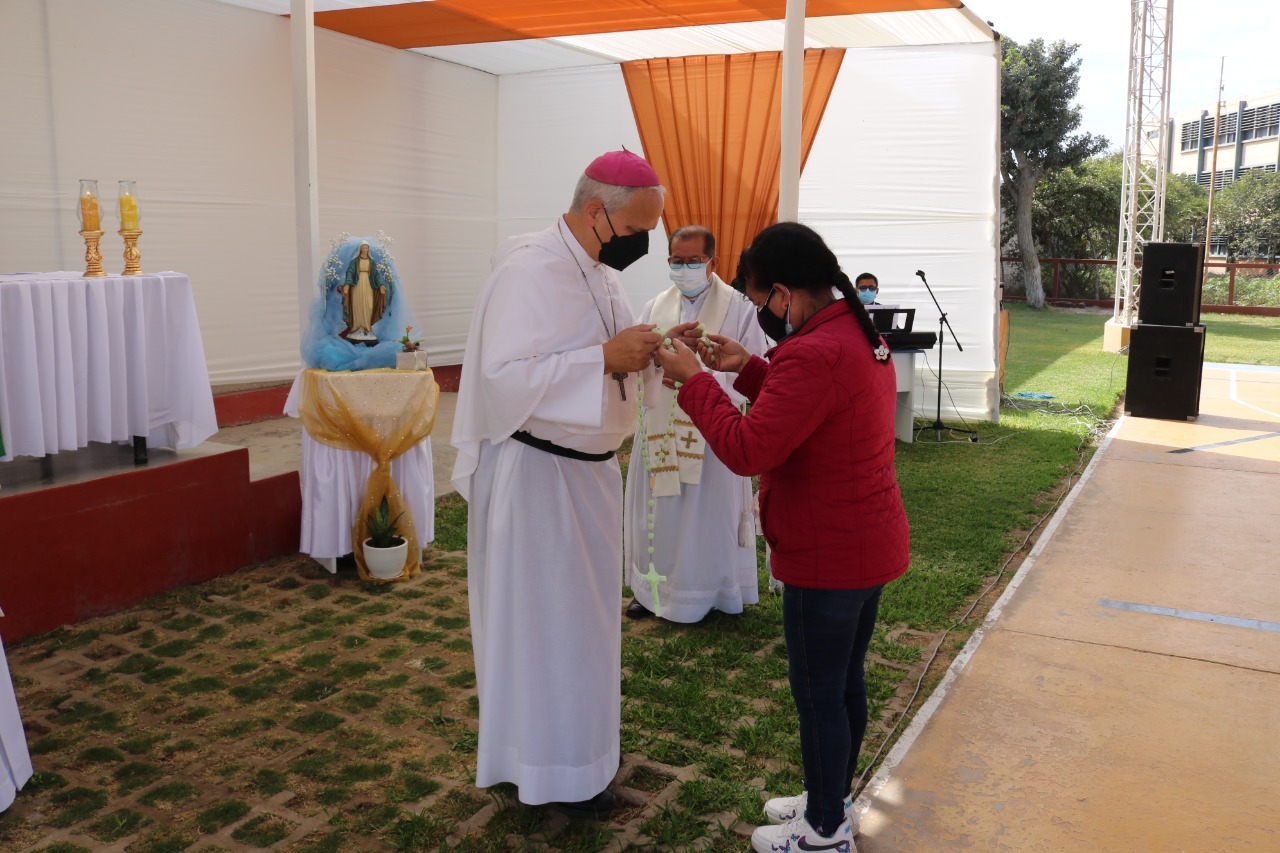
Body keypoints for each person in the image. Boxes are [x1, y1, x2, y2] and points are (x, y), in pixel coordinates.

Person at [654, 222, 909, 853]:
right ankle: (832, 798)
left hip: (826, 554)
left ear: (784, 294)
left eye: (758, 298)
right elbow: (816, 410)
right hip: (864, 541)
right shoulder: (854, 332)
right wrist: (747, 367)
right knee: (844, 684)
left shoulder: (814, 351)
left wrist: (694, 382)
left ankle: (823, 833)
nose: (760, 313)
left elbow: (748, 447)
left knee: (819, 694)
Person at [450, 149, 665, 820]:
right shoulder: (528, 269)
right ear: (597, 211)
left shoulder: (600, 274)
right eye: (639, 228)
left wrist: (654, 348)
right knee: (545, 630)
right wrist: (603, 357)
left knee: (587, 630)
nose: (644, 243)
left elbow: (613, 357)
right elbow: (501, 378)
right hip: (539, 480)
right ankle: (544, 768)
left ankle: (583, 759)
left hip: (589, 480)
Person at [624, 225, 768, 622]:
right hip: (660, 426)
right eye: (677, 261)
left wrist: (699, 378)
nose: (684, 268)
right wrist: (657, 363)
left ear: (712, 262)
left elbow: (752, 366)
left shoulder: (739, 307)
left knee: (706, 517)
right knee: (658, 512)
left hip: (712, 427)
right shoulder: (654, 306)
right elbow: (633, 362)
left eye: (693, 261)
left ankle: (712, 590)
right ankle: (652, 590)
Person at [339, 241, 388, 341]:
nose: (365, 250)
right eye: (363, 248)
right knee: (357, 305)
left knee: (368, 305)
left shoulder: (372, 262)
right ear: (360, 249)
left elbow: (376, 275)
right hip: (357, 286)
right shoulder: (354, 262)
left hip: (368, 286)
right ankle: (357, 328)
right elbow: (350, 273)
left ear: (368, 249)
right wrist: (347, 285)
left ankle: (367, 328)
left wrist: (381, 285)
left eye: (366, 248)